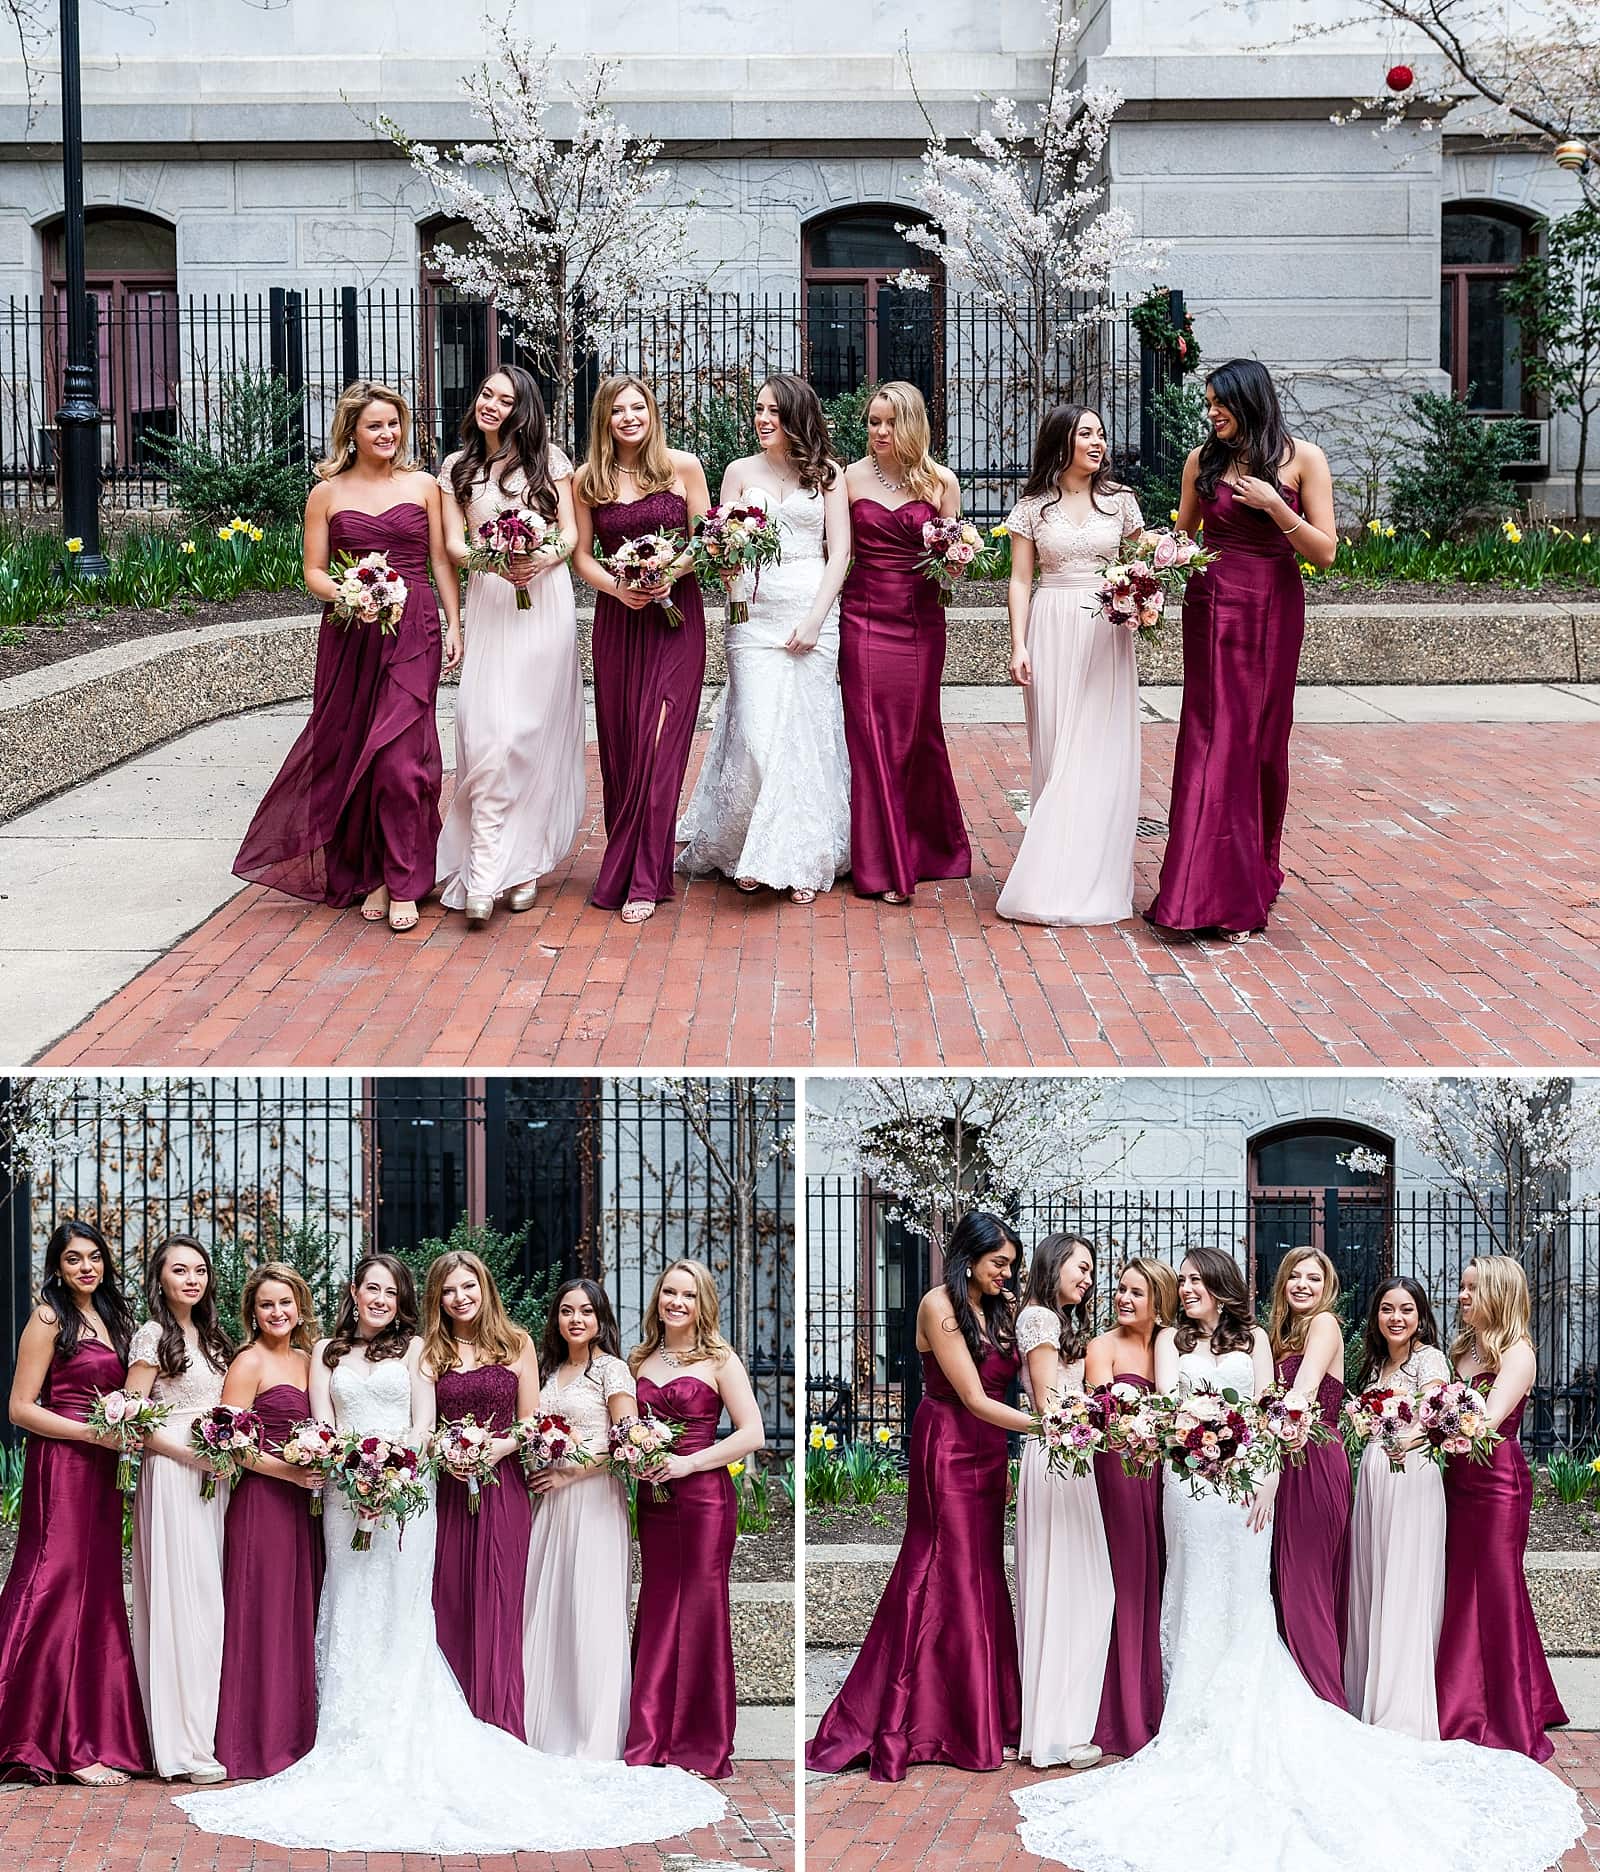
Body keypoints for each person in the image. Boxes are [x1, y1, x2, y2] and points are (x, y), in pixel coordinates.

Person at [1010, 1248, 1582, 1872]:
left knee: (1256, 1593)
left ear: (1224, 1288)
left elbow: (1267, 1405)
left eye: (1198, 1280)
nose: (1188, 1289)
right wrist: (1193, 1437)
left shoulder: (1258, 1337)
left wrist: (1261, 1476)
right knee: (1189, 1587)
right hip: (1188, 1483)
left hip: (1251, 1480)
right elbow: (1174, 1399)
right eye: (1184, 1282)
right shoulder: (1173, 1338)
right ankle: (1185, 1710)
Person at [177, 1254, 725, 1855]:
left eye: (391, 1291)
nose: (381, 1299)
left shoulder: (425, 1350)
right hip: (345, 1496)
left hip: (412, 1491)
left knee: (415, 1611)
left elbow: (428, 1422)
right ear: (354, 1293)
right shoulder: (328, 1353)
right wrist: (351, 1474)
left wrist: (398, 1473)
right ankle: (345, 1734)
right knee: (352, 1607)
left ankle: (449, 1725)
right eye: (371, 1289)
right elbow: (323, 1423)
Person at [806, 1213, 1033, 1780]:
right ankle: (925, 1719)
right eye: (997, 1262)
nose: (1006, 1273)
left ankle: (985, 1713)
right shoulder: (939, 1304)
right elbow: (976, 1398)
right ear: (969, 1257)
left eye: (1010, 1264)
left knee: (981, 1570)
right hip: (951, 1442)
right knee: (942, 1565)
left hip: (989, 1450)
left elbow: (1016, 1380)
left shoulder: (998, 1306)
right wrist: (1049, 1427)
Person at [233, 380, 462, 933]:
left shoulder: (425, 485)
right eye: (375, 426)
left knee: (401, 762)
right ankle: (376, 874)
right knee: (354, 753)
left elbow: (438, 561)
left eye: (394, 424)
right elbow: (314, 570)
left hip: (415, 633)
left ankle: (406, 878)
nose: (388, 434)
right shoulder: (327, 494)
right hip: (350, 635)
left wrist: (456, 624)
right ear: (352, 434)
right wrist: (353, 594)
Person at [1146, 358, 1336, 939]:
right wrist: (1146, 568)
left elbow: (1325, 552)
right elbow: (1183, 536)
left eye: (1218, 406)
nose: (1210, 416)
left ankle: (1251, 874)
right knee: (1210, 737)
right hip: (1210, 608)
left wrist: (1278, 508)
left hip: (1273, 608)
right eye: (1207, 407)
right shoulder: (1202, 462)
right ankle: (1194, 889)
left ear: (1248, 402)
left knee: (1259, 742)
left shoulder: (1304, 459)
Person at [676, 373, 852, 902]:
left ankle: (798, 855)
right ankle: (743, 843)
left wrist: (817, 619)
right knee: (755, 733)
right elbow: (718, 541)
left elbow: (838, 551)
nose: (762, 419)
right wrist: (735, 595)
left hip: (811, 609)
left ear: (796, 415)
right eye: (758, 409)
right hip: (752, 615)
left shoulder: (828, 475)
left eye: (774, 411)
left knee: (805, 736)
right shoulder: (737, 471)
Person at [0, 1221, 151, 1784]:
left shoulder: (115, 1319)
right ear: (57, 1268)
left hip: (104, 1472)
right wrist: (92, 1434)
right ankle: (35, 1732)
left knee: (99, 1592)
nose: (86, 1267)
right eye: (73, 1259)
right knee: (52, 1583)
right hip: (62, 1467)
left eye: (93, 1257)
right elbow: (20, 1408)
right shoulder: (47, 1319)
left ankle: (89, 1735)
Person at [435, 366, 585, 927]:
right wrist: (496, 559)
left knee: (528, 735)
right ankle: (484, 863)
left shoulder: (552, 461)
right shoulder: (457, 468)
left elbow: (569, 534)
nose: (490, 405)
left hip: (544, 603)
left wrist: (541, 557)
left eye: (504, 398)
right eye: (485, 394)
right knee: (487, 731)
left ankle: (519, 868)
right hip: (493, 604)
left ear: (523, 408)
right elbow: (452, 544)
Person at [998, 405, 1146, 926]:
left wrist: (1144, 601)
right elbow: (1019, 580)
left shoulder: (1122, 503)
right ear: (1062, 441)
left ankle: (1097, 872)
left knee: (1100, 747)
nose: (1098, 442)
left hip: (1106, 632)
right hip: (1053, 626)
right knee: (1059, 750)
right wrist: (1019, 645)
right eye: (1087, 434)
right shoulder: (1032, 508)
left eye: (1102, 433)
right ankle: (1054, 872)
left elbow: (1139, 567)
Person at [571, 375, 711, 924]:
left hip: (677, 618)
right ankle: (628, 858)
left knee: (661, 742)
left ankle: (647, 879)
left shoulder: (683, 467)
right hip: (619, 622)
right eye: (617, 411)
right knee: (626, 747)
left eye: (638, 407)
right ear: (603, 420)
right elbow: (581, 555)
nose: (629, 417)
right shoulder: (588, 480)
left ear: (651, 412)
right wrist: (619, 587)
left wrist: (666, 573)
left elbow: (709, 538)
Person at [625, 1258, 766, 1779]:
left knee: (702, 1605)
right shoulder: (640, 1357)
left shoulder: (720, 1358)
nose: (676, 1302)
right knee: (659, 1602)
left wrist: (688, 1462)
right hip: (654, 1499)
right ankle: (650, 1732)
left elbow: (752, 1433)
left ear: (702, 1302)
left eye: (687, 1294)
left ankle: (700, 1738)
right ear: (657, 1299)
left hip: (704, 1496)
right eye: (669, 1293)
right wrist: (634, 1457)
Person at [837, 381, 971, 903]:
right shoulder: (848, 479)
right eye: (873, 421)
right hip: (864, 616)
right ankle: (882, 862)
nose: (880, 432)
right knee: (870, 735)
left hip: (920, 622)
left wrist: (957, 559)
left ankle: (927, 848)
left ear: (912, 424)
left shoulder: (940, 482)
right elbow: (834, 549)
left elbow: (950, 564)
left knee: (916, 733)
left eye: (891, 422)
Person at [1436, 1256, 1570, 1760]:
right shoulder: (1465, 1348)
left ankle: (1510, 1710)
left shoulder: (1518, 1353)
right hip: (1456, 1481)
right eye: (1462, 1287)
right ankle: (1468, 1696)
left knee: (1496, 1588)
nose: (1462, 1297)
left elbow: (1487, 1420)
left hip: (1496, 1484)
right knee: (1459, 1587)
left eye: (1471, 1289)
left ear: (1497, 1292)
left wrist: (1434, 1419)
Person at [126, 1234, 234, 1781]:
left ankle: (204, 1730)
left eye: (199, 1270)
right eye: (179, 1271)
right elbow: (133, 1420)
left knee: (209, 1602)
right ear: (160, 1279)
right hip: (172, 1474)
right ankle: (179, 1746)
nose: (192, 1279)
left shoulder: (214, 1336)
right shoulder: (152, 1336)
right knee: (179, 1600)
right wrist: (191, 1456)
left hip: (213, 1479)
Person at [211, 1263, 325, 1780]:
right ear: (253, 1313)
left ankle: (301, 1735)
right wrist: (287, 1472)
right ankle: (256, 1741)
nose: (277, 1312)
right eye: (266, 1305)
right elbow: (228, 1442)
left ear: (299, 1306)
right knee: (265, 1616)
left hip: (309, 1507)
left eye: (285, 1303)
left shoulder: (311, 1359)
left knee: (303, 1615)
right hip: (264, 1503)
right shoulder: (248, 1362)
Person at [423, 1249, 541, 1735]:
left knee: (499, 1600)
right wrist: (445, 1451)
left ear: (484, 1287)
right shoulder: (430, 1351)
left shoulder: (517, 1344)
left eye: (467, 1286)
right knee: (448, 1599)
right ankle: (455, 1727)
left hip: (503, 1487)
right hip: (449, 1493)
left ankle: (500, 1724)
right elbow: (423, 1425)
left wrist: (498, 1448)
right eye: (448, 1290)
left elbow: (531, 1421)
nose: (459, 1297)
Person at [523, 1279, 638, 1757]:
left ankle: (594, 1735)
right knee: (550, 1608)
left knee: (592, 1610)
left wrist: (570, 1474)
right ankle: (545, 1727)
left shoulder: (612, 1371)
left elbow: (626, 1442)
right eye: (567, 1311)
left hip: (593, 1499)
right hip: (551, 1507)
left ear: (599, 1320)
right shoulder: (549, 1372)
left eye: (586, 1312)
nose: (575, 1319)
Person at [1014, 1234, 1112, 1768]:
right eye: (1082, 1267)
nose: (1088, 1278)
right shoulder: (1041, 1320)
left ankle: (1056, 1727)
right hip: (1058, 1457)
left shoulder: (1050, 1320)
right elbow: (1052, 1404)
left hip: (1066, 1460)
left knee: (1073, 1589)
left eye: (1092, 1270)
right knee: (1073, 1590)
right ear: (1055, 1265)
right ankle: (1058, 1733)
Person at [1345, 1277, 1452, 1739]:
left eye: (1406, 1309)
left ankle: (1401, 1709)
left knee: (1404, 1581)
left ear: (1420, 1316)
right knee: (1375, 1578)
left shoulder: (1430, 1360)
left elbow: (1441, 1417)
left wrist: (1405, 1440)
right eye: (1387, 1309)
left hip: (1410, 1473)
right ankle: (1368, 1694)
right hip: (1373, 1473)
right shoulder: (1375, 1365)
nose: (1396, 1318)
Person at [1082, 1256, 1177, 1758]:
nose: (1123, 1298)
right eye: (1121, 1288)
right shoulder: (1103, 1346)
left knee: (1160, 1576)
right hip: (1120, 1468)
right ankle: (1122, 1708)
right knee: (1129, 1579)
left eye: (1137, 1292)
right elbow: (1103, 1413)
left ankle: (1156, 1697)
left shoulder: (1169, 1347)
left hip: (1166, 1472)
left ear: (1158, 1302)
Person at [1266, 1249, 1350, 1706]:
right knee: (1284, 1580)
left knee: (1307, 1582)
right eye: (1294, 1276)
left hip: (1314, 1458)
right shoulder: (1280, 1338)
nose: (1302, 1284)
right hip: (1284, 1460)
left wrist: (1272, 1423)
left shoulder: (1324, 1325)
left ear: (1326, 1287)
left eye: (1313, 1278)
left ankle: (1324, 1702)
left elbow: (1304, 1390)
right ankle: (1293, 1699)